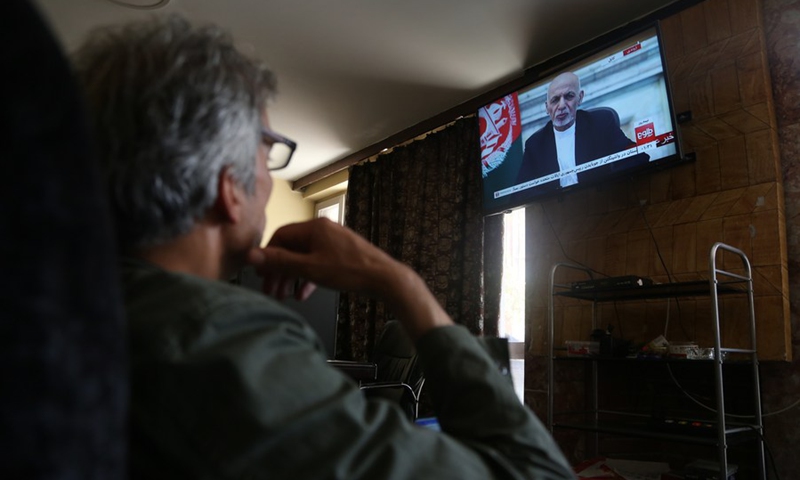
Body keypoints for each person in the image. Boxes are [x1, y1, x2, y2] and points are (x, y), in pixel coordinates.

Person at [73, 14, 575, 479]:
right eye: (267, 152)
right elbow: (537, 471)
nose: (267, 178)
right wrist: (400, 282)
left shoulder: (74, 311)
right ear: (229, 188)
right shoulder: (221, 343)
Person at [516, 71, 648, 190]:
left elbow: (636, 158)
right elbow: (520, 193)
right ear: (547, 107)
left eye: (569, 96)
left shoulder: (600, 123)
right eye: (555, 100)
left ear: (580, 98)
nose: (561, 106)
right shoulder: (535, 144)